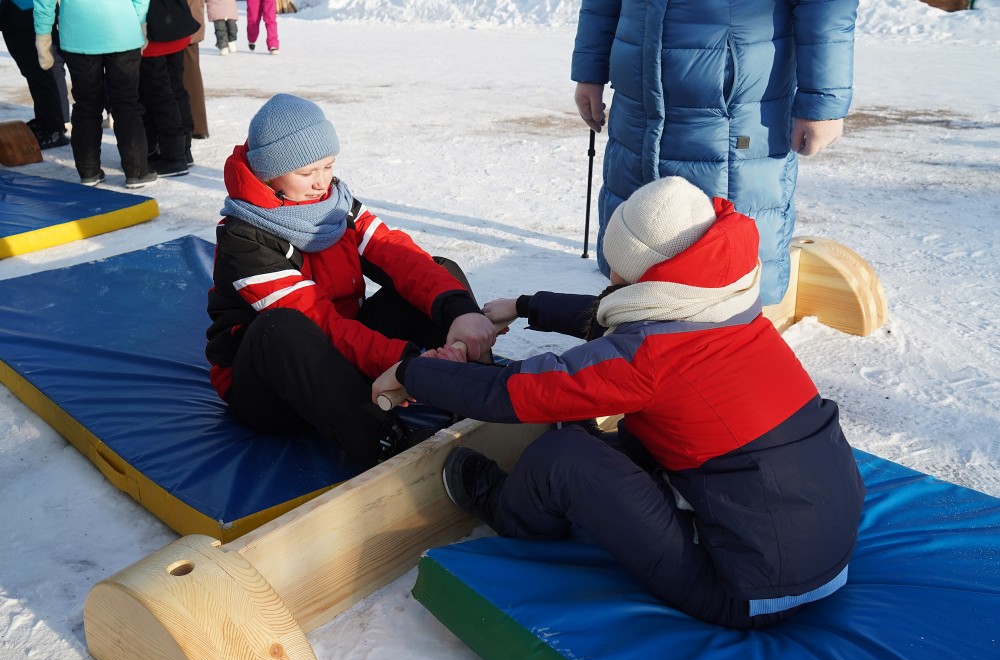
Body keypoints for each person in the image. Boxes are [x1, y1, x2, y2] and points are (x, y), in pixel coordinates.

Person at [373, 176, 866, 628]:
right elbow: (626, 320)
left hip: (744, 587)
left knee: (563, 455)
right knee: (631, 429)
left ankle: (508, 511)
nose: (612, 279)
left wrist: (414, 371)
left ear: (642, 276)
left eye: (619, 271)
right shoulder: (728, 303)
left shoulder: (649, 355)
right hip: (819, 539)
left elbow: (516, 392)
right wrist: (525, 306)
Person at [205, 93, 497, 469]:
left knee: (439, 272)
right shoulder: (243, 237)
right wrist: (407, 362)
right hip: (275, 383)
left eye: (328, 166)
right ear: (269, 174)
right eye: (306, 173)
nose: (321, 182)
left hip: (341, 354)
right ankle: (385, 441)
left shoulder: (336, 203)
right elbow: (320, 324)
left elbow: (398, 256)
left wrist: (460, 310)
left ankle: (478, 385)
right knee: (280, 327)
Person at [571, 0, 859, 306]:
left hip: (736, 91)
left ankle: (730, 305)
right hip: (637, 82)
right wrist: (590, 72)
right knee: (636, 197)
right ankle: (631, 287)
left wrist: (823, 101)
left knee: (728, 210)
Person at [33, 0, 157, 187]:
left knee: (86, 105)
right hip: (122, 31)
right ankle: (137, 171)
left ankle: (89, 171)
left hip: (78, 34)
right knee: (126, 104)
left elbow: (44, 2)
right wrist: (139, 21)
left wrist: (43, 34)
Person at [140, 0, 199, 178]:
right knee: (175, 87)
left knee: (160, 94)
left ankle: (174, 156)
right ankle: (183, 150)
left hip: (155, 30)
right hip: (176, 22)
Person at [0, 0, 69, 149]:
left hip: (27, 12)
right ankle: (46, 121)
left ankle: (53, 128)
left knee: (40, 71)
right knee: (33, 71)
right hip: (21, 13)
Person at [182, 0, 210, 140]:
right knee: (190, 73)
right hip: (187, 17)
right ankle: (198, 126)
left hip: (181, 20)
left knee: (189, 74)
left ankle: (197, 126)